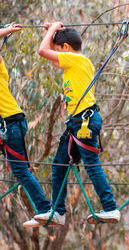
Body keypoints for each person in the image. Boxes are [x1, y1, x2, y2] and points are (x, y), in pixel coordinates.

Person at [33, 22, 120, 225]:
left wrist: (54, 27)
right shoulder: (78, 61)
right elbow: (52, 58)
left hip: (85, 121)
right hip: (76, 123)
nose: (57, 56)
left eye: (58, 50)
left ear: (65, 49)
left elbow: (42, 51)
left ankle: (110, 208)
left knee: (91, 164)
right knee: (59, 164)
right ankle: (58, 212)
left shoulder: (75, 60)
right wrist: (51, 32)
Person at [0, 23, 53, 228]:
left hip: (10, 123)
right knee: (20, 170)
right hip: (9, 124)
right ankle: (43, 209)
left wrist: (7, 31)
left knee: (21, 171)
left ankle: (45, 209)